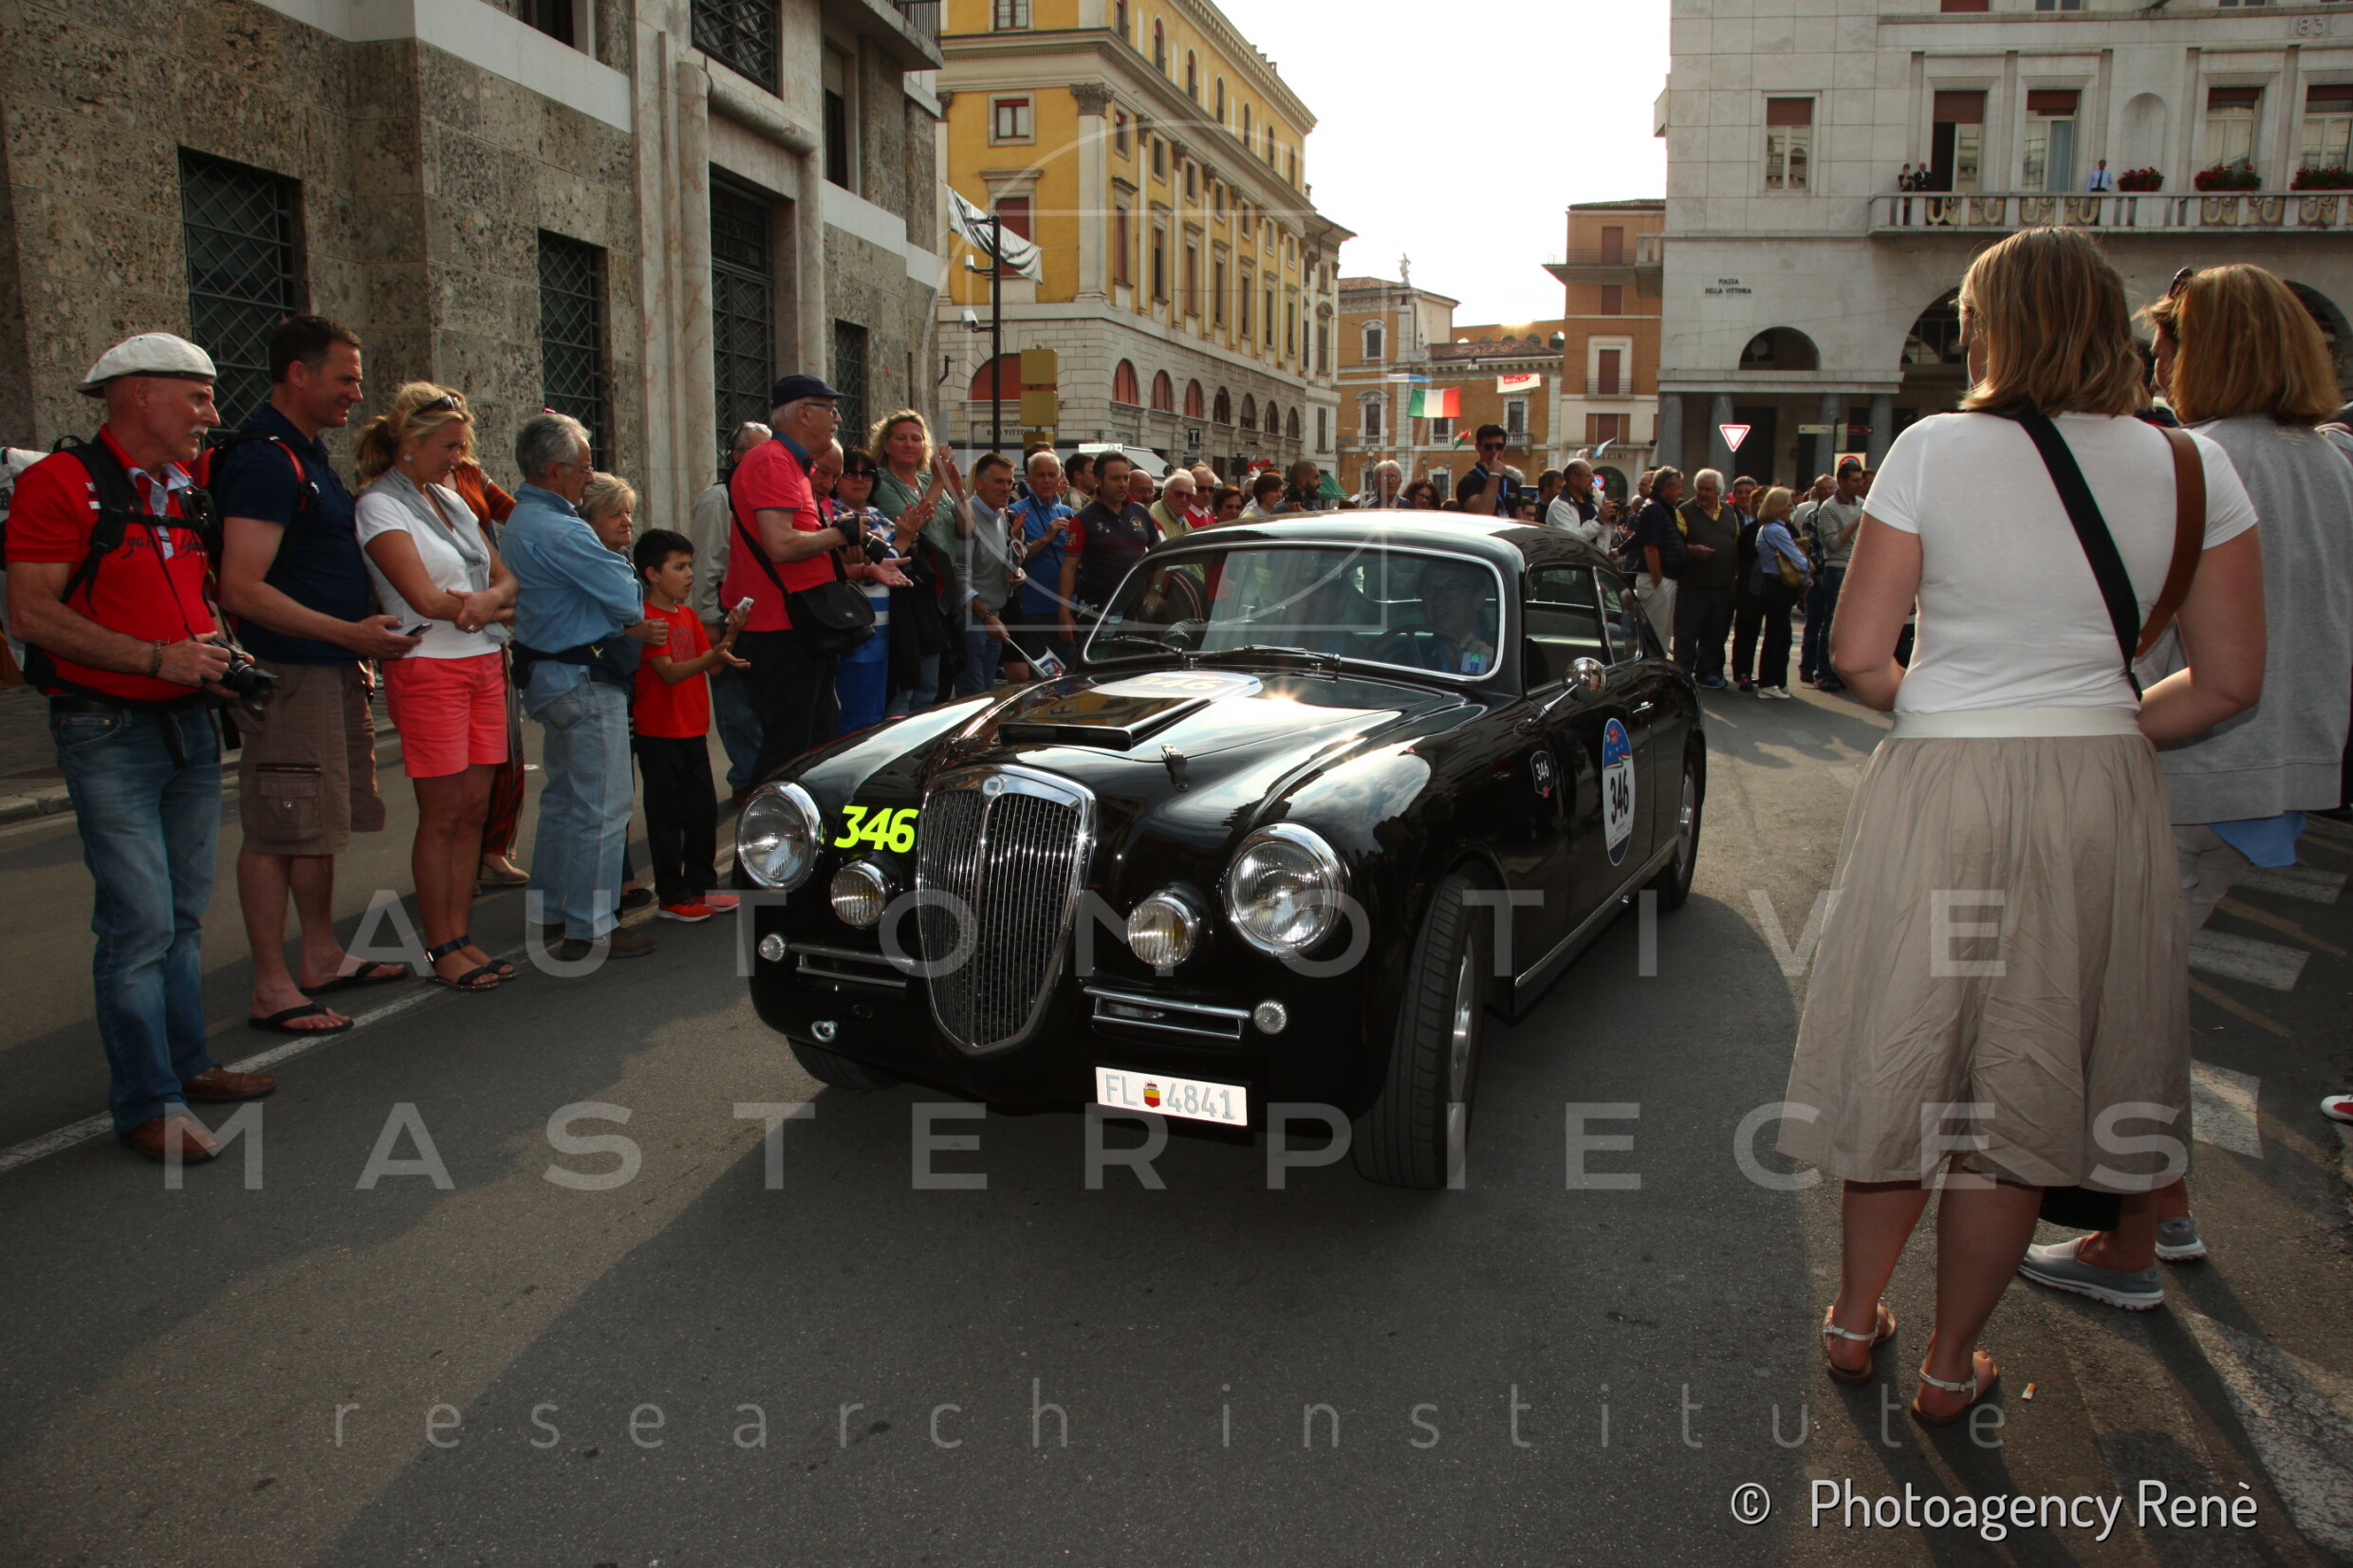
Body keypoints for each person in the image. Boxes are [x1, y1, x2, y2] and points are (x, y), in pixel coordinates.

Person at [1779, 227, 2265, 1423]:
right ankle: (1950, 1364)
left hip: (1943, 781)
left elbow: (1856, 655)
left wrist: (1957, 708)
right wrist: (2092, 724)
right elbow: (2225, 682)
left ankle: (1852, 1322)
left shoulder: (1933, 448)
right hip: (2096, 790)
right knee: (2019, 1086)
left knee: (1906, 1054)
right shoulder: (2193, 466)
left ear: (1989, 328)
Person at [2020, 263, 2353, 1304]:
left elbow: (2139, 630)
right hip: (2277, 763)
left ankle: (2127, 1242)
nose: (2152, 363)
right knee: (2146, 994)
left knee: (2113, 1011)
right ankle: (2160, 1205)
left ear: (2205, 349)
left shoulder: (2193, 461)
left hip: (2184, 762)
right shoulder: (2334, 459)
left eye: (2163, 344)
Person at [7, 333, 275, 1162]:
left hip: (188, 720)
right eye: (197, 396)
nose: (211, 414)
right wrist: (160, 659)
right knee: (139, 923)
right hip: (106, 729)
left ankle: (188, 1065)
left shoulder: (186, 488)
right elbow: (32, 614)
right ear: (138, 396)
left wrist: (220, 656)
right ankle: (147, 1101)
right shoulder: (61, 484)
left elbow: (190, 595)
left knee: (184, 915)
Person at [211, 315, 421, 1033]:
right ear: (297, 374)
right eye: (346, 379)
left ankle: (322, 954)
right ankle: (273, 987)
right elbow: (241, 587)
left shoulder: (305, 456)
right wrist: (347, 633)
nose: (357, 394)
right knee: (280, 826)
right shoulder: (268, 462)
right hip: (291, 673)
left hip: (327, 669)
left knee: (317, 824)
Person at [351, 383, 518, 992]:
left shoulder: (450, 498)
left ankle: (462, 935)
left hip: (482, 660)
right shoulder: (379, 505)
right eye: (449, 446)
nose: (458, 458)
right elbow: (421, 597)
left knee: (474, 809)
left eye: (461, 445)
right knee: (443, 812)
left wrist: (485, 605)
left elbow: (505, 577)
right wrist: (486, 606)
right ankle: (442, 943)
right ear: (409, 445)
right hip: (429, 667)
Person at [504, 414, 660, 962]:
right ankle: (591, 925)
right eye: (585, 468)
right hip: (583, 676)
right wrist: (619, 592)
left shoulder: (521, 519)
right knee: (603, 806)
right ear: (554, 470)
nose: (589, 479)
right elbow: (628, 599)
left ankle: (552, 907)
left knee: (565, 799)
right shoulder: (562, 529)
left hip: (550, 675)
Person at [730, 379, 907, 784]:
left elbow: (803, 545)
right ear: (803, 412)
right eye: (830, 409)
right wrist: (843, 533)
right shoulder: (772, 461)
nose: (838, 418)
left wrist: (853, 557)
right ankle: (769, 820)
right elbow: (781, 545)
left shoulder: (793, 464)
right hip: (782, 625)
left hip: (803, 624)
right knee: (789, 747)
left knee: (816, 740)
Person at [630, 528, 750, 922]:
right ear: (652, 573)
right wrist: (712, 656)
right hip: (658, 732)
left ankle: (703, 886)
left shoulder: (688, 615)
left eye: (689, 566)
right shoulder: (647, 619)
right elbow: (668, 672)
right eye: (678, 567)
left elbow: (713, 666)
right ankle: (672, 895)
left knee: (701, 814)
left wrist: (732, 631)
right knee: (667, 818)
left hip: (693, 729)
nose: (688, 575)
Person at [449, 453, 530, 886]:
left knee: (503, 752)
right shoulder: (396, 487)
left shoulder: (471, 475)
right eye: (447, 440)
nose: (456, 449)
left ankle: (492, 849)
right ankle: (452, 862)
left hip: (488, 632)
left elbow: (519, 517)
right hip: (439, 636)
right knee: (448, 768)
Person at [691, 420, 771, 802]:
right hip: (728, 618)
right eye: (758, 453)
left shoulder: (772, 496)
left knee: (763, 705)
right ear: (737, 457)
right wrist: (710, 623)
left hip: (765, 617)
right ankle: (746, 779)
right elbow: (707, 565)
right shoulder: (718, 500)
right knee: (737, 707)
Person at [828, 446, 899, 732]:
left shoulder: (877, 514)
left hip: (884, 624)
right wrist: (868, 567)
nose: (859, 479)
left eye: (866, 473)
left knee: (877, 713)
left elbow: (892, 557)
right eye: (850, 473)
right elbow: (837, 567)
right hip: (853, 624)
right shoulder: (833, 514)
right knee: (858, 716)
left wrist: (904, 537)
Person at [1059, 451, 1159, 645]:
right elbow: (1068, 569)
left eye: (1126, 478)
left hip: (1137, 610)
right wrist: (1063, 613)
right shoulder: (1082, 520)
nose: (1122, 484)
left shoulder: (1140, 512)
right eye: (1115, 478)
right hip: (1098, 611)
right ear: (1098, 479)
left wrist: (1155, 591)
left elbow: (1159, 553)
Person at [953, 452, 1023, 696]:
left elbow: (999, 557)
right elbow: (958, 572)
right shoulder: (967, 514)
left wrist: (1018, 572)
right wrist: (985, 617)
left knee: (986, 695)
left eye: (1009, 482)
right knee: (973, 698)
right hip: (973, 620)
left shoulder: (1000, 514)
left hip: (993, 617)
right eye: (999, 481)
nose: (1006, 488)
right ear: (979, 483)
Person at [1796, 461, 1865, 691]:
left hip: (1857, 569)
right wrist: (1856, 523)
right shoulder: (1828, 508)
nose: (1860, 484)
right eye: (1855, 480)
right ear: (1842, 481)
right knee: (1830, 624)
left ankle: (1842, 671)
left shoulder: (1862, 504)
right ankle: (1824, 672)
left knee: (1851, 626)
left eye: (1861, 480)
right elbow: (1833, 544)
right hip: (1836, 569)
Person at [1007, 449, 1076, 671]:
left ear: (1060, 478)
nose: (1047, 480)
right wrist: (1047, 537)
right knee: (1044, 674)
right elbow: (1013, 559)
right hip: (1034, 609)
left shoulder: (1067, 511)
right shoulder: (1015, 513)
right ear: (1028, 479)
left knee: (1070, 672)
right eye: (1040, 475)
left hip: (1068, 607)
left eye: (1052, 474)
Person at [1747, 486, 1810, 697]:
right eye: (1789, 505)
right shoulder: (1776, 530)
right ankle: (1768, 683)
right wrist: (1807, 579)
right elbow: (1799, 560)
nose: (1792, 508)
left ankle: (1778, 681)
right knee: (1776, 636)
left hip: (1773, 585)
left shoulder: (1768, 528)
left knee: (1782, 636)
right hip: (1777, 586)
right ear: (1779, 506)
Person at [1628, 466, 1687, 646]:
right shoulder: (1654, 509)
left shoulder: (1662, 508)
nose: (1681, 491)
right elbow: (1651, 548)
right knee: (1655, 635)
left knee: (1663, 634)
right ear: (1667, 487)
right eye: (1678, 487)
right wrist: (1659, 582)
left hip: (1664, 580)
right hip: (1657, 581)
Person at [1455, 426, 1516, 515]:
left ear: (1504, 447)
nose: (1494, 451)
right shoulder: (1468, 482)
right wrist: (1494, 474)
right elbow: (1482, 512)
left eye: (1499, 446)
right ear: (1478, 447)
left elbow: (1519, 519)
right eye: (1488, 447)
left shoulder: (1512, 483)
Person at [1149, 468, 1198, 543]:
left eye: (1189, 496)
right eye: (1179, 494)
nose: (1184, 500)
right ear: (1166, 494)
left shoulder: (1184, 521)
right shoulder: (1152, 516)